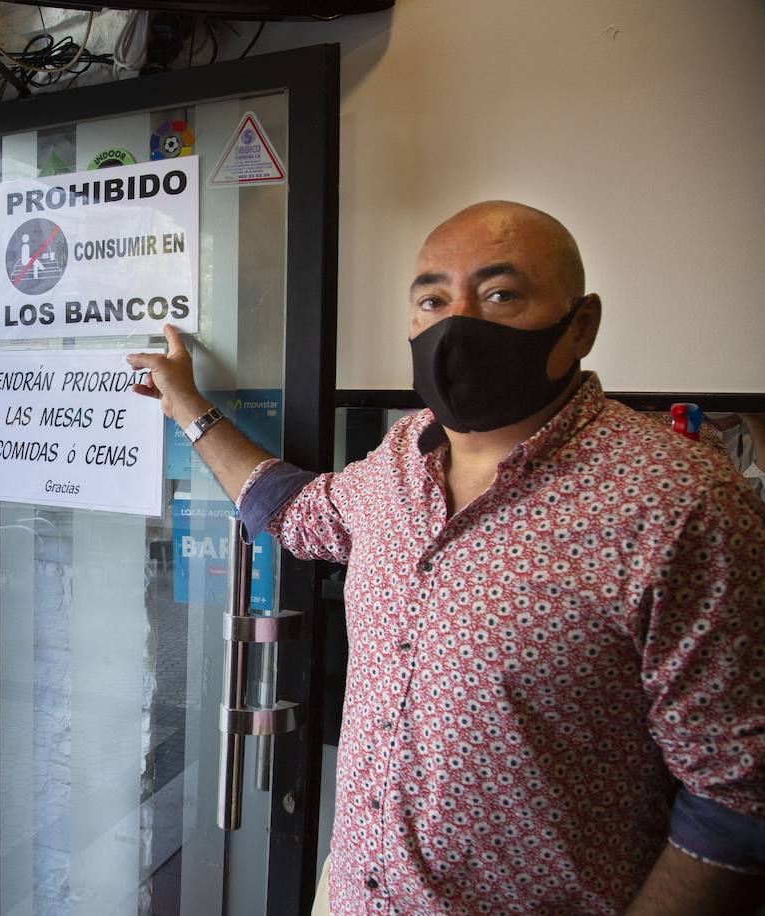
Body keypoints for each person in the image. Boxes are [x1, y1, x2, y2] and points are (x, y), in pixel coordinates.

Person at [128, 201, 765, 914]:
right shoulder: (403, 456)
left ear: (581, 324)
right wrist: (187, 405)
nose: (458, 324)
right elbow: (295, 510)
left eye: (500, 295)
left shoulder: (678, 503)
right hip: (357, 892)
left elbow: (738, 798)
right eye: (432, 299)